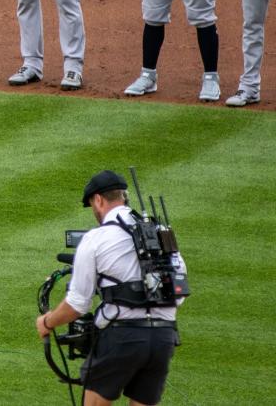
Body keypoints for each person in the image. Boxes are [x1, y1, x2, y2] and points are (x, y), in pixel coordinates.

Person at [37, 170, 185, 405]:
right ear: (124, 197)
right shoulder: (160, 232)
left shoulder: (96, 238)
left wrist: (47, 322)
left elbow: (77, 304)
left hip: (122, 337)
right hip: (163, 337)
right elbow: (178, 293)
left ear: (98, 199)